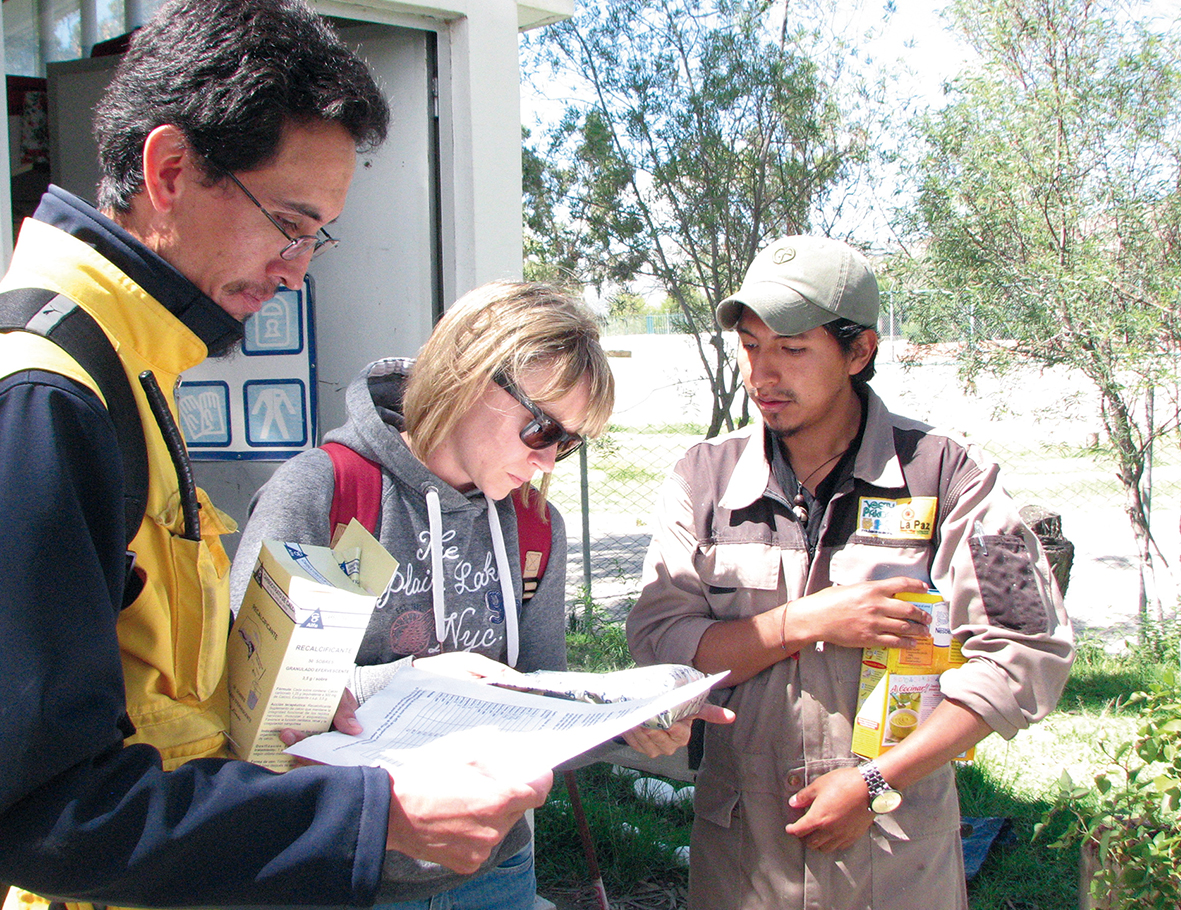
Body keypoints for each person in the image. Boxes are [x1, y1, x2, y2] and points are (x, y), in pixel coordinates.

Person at [0, 2, 551, 906]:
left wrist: (263, 707)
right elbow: (43, 809)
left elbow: (144, 693)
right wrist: (375, 816)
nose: (298, 269)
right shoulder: (48, 398)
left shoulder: (125, 367)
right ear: (170, 170)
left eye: (317, 236)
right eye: (288, 223)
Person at [231, 279, 728, 909]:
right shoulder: (326, 494)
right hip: (341, 872)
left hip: (496, 869)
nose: (550, 462)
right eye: (542, 428)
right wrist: (406, 678)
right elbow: (248, 714)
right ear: (468, 372)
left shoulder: (533, 527)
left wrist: (624, 726)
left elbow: (540, 697)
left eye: (569, 442)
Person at [625, 235, 1075, 910]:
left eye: (792, 348)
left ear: (858, 351)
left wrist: (875, 782)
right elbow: (660, 641)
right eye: (750, 346)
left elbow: (1025, 649)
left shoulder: (952, 476)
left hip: (893, 862)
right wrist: (810, 619)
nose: (762, 375)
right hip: (742, 863)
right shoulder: (703, 477)